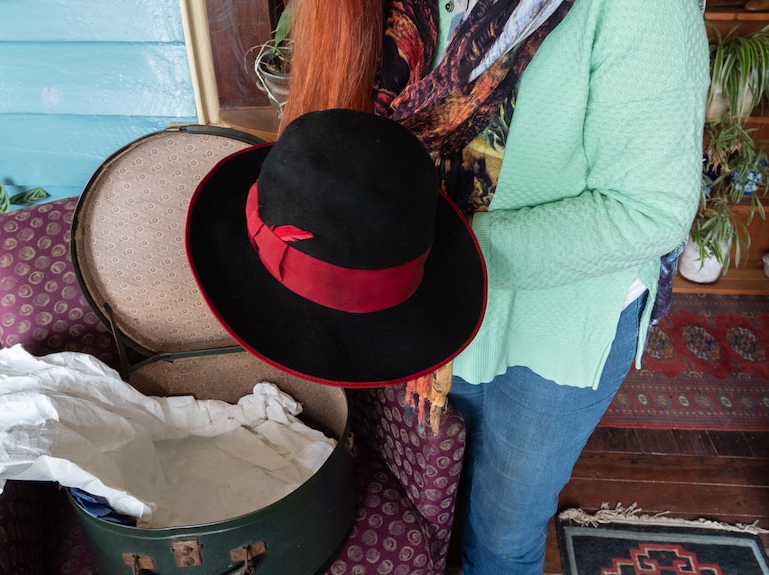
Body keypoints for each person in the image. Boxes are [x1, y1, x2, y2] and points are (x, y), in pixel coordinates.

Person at [279, 0, 709, 573]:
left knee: (501, 539)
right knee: (422, 503)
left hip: (545, 331)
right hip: (406, 309)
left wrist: (426, 252)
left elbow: (649, 209)